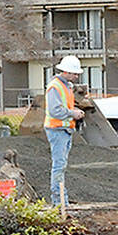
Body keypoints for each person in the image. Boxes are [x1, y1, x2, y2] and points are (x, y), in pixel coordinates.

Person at [44, 55, 85, 208]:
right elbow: (55, 111)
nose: (76, 76)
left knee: (61, 165)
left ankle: (61, 201)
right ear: (66, 71)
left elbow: (64, 107)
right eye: (75, 73)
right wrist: (72, 113)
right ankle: (59, 202)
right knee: (59, 166)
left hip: (65, 129)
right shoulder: (55, 86)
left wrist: (74, 111)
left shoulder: (66, 85)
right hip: (57, 129)